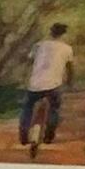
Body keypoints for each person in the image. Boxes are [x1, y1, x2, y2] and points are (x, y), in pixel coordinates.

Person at [19, 20, 73, 153]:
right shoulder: (67, 49)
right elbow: (70, 69)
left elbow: (29, 63)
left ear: (50, 32)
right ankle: (48, 136)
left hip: (35, 84)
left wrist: (24, 79)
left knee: (28, 107)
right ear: (64, 34)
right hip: (54, 86)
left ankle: (24, 133)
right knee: (54, 108)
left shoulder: (38, 45)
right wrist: (70, 83)